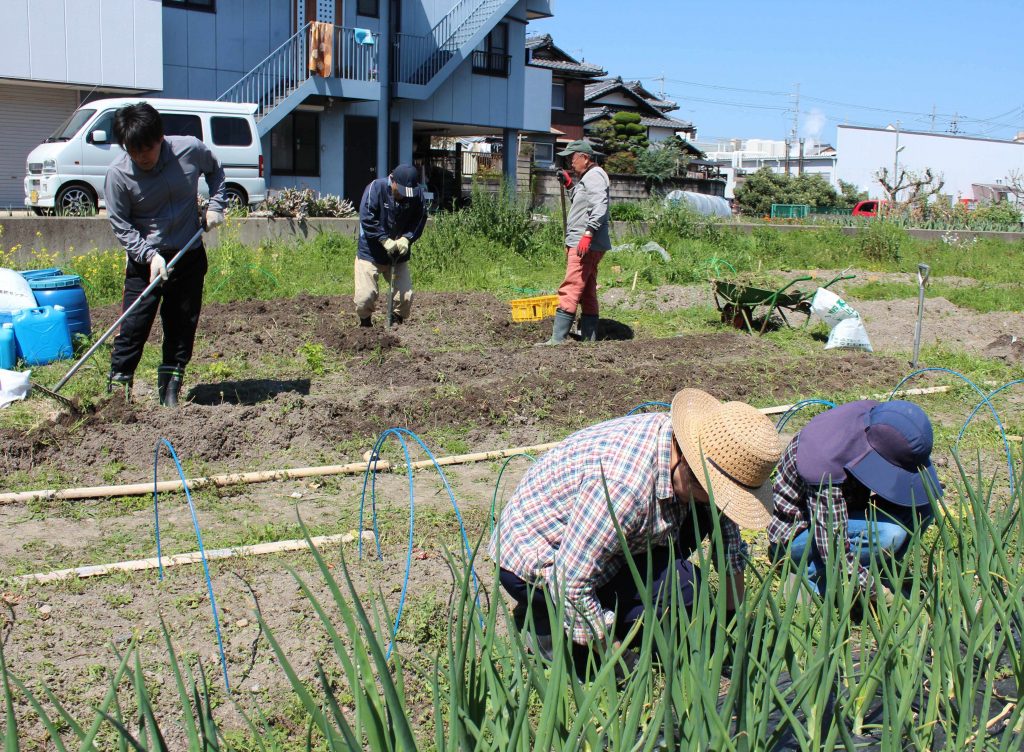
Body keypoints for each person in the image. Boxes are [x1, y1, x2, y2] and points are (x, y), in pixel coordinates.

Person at [489, 389, 784, 658]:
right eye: (715, 492)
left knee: (684, 587)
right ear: (687, 463)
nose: (720, 502)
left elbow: (729, 539)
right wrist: (613, 658)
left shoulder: (698, 445)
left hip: (599, 534)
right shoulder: (624, 488)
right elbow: (571, 581)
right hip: (538, 560)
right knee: (675, 599)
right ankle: (545, 625)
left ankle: (606, 609)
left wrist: (733, 621)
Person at [105, 102, 226, 407]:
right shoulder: (118, 175)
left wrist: (215, 206)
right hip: (146, 262)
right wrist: (149, 255)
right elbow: (121, 225)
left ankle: (170, 389)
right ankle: (119, 392)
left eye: (146, 148)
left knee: (181, 323)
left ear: (160, 138)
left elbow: (217, 172)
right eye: (132, 150)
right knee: (133, 325)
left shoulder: (189, 150)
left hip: (187, 254)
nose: (140, 157)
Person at [767, 400, 941, 601]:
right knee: (890, 534)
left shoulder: (883, 421)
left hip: (844, 512)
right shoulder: (824, 461)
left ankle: (875, 569)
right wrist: (878, 594)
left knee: (923, 507)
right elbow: (832, 546)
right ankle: (808, 577)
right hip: (798, 534)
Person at [544, 140, 611, 344]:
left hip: (585, 243)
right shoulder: (587, 177)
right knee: (587, 289)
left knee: (571, 285)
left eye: (573, 159)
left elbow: (600, 205)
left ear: (585, 157)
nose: (571, 163)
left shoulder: (596, 176)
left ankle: (558, 339)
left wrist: (588, 234)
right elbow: (583, 203)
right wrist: (569, 185)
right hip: (583, 240)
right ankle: (589, 338)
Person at [354, 164, 428, 327]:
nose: (404, 196)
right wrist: (383, 239)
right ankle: (365, 326)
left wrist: (407, 238)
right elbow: (367, 217)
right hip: (371, 252)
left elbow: (420, 218)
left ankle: (395, 323)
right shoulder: (376, 188)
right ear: (392, 180)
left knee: (405, 297)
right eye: (400, 190)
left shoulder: (415, 194)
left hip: (397, 254)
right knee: (364, 297)